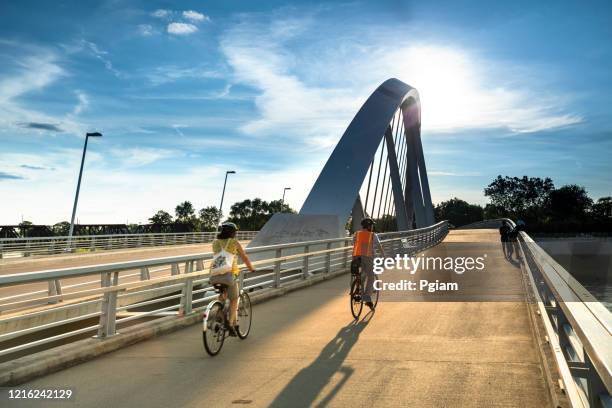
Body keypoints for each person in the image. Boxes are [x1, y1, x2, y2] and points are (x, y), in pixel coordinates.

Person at [210, 222, 255, 336]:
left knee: (223, 296)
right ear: (233, 232)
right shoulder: (234, 243)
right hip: (229, 275)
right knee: (234, 299)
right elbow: (244, 257)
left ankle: (218, 316)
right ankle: (230, 324)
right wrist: (251, 268)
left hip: (214, 276)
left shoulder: (215, 243)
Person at [351, 218, 385, 310]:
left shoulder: (356, 234)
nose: (372, 227)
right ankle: (366, 297)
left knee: (361, 273)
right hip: (367, 257)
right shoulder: (373, 235)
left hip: (355, 257)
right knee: (371, 277)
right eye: (372, 225)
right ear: (369, 226)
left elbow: (354, 243)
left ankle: (357, 288)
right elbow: (379, 246)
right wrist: (383, 255)